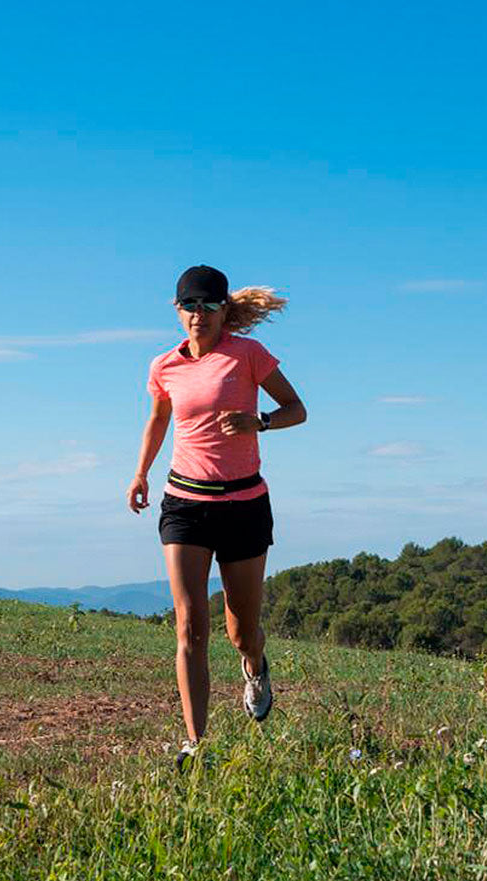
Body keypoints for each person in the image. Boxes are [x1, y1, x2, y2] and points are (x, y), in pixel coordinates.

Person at [127, 264, 307, 770]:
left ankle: (254, 665)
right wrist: (140, 473)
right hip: (184, 503)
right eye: (190, 306)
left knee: (241, 631)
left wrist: (261, 421)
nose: (198, 315)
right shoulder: (164, 365)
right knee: (189, 626)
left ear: (225, 309)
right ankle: (195, 743)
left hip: (245, 504)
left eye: (208, 306)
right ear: (178, 310)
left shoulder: (248, 355)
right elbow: (158, 420)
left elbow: (298, 408)